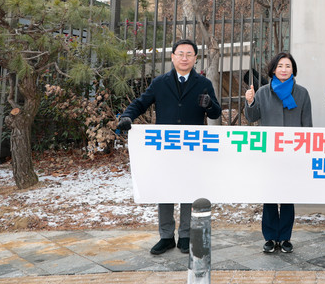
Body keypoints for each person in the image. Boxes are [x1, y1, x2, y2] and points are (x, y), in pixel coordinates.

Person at [117, 38, 221, 256]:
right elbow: (141, 103)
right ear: (173, 57)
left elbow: (215, 113)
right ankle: (166, 236)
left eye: (189, 54)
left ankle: (185, 235)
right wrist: (127, 116)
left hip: (192, 147)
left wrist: (209, 104)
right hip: (166, 147)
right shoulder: (160, 82)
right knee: (165, 189)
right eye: (180, 54)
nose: (184, 58)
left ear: (195, 58)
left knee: (188, 189)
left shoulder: (203, 83)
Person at [244, 52, 312, 254]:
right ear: (273, 69)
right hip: (270, 153)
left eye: (288, 66)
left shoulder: (302, 93)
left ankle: (285, 237)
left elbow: (307, 125)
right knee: (270, 195)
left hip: (293, 152)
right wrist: (250, 101)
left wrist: (305, 152)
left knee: (288, 196)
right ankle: (270, 237)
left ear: (293, 70)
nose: (284, 69)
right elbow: (252, 117)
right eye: (280, 66)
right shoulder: (263, 92)